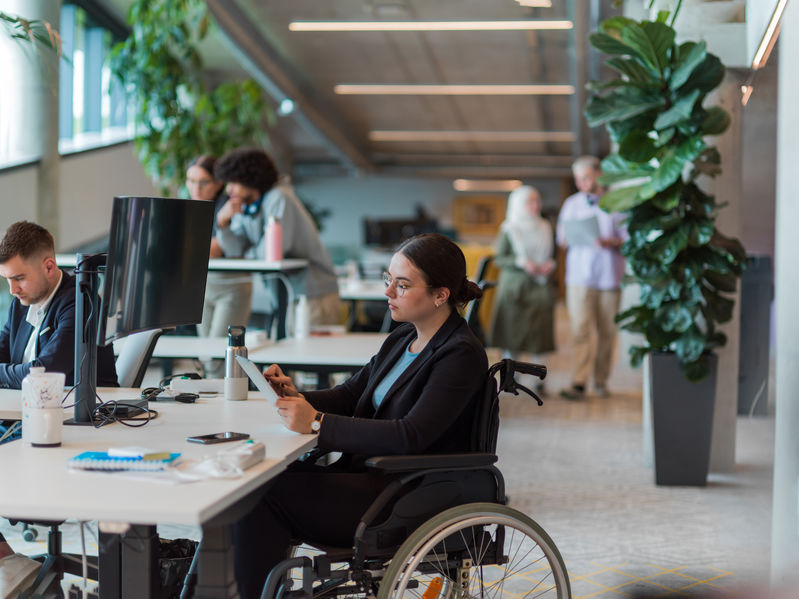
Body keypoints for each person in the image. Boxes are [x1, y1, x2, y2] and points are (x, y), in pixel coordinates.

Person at [232, 233, 487, 599]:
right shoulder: (403, 338)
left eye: (402, 285)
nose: (388, 293)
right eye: (388, 281)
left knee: (263, 497)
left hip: (403, 493)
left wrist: (317, 423)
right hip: (367, 478)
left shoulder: (460, 354)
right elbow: (351, 395)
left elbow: (410, 435)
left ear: (440, 294)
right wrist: (295, 395)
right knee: (256, 478)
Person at [213, 148, 341, 329]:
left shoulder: (279, 198)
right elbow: (235, 251)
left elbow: (272, 252)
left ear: (250, 178)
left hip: (314, 294)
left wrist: (247, 253)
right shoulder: (244, 205)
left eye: (234, 182)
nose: (228, 189)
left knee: (306, 356)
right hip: (287, 295)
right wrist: (223, 224)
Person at [0, 221, 118, 389]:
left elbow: (43, 374)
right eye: (7, 279)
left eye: (19, 278)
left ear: (49, 268)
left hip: (80, 412)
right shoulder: (20, 305)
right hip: (31, 407)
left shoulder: (81, 302)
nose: (12, 290)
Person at [556, 156, 627, 400]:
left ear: (598, 175)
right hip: (579, 277)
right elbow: (562, 239)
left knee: (607, 332)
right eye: (578, 179)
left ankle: (601, 381)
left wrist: (611, 241)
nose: (581, 183)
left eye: (585, 177)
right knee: (580, 330)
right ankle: (578, 381)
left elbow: (628, 239)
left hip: (609, 277)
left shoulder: (617, 202)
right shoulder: (572, 204)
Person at [186, 155, 253, 377]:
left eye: (203, 182)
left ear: (218, 183)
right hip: (202, 287)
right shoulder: (193, 207)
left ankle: (230, 405)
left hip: (230, 288)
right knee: (206, 357)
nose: (196, 188)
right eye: (190, 181)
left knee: (219, 358)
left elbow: (215, 250)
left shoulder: (229, 206)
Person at [488, 185, 556, 392]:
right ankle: (510, 378)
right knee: (512, 334)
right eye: (530, 202)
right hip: (515, 288)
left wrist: (550, 264)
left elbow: (552, 255)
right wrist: (521, 262)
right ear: (518, 204)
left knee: (539, 335)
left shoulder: (545, 226)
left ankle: (538, 380)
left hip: (540, 286)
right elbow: (499, 258)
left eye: (537, 201)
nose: (535, 206)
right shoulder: (510, 228)